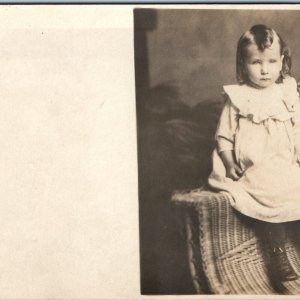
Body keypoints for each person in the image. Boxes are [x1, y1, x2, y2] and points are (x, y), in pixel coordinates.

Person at [208, 24, 300, 282]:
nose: (264, 69)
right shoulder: (237, 97)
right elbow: (224, 136)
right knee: (269, 193)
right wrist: (228, 163)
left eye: (272, 61)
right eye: (256, 62)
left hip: (285, 161)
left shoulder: (287, 92)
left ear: (282, 61)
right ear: (243, 63)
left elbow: (297, 128)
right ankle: (277, 252)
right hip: (253, 165)